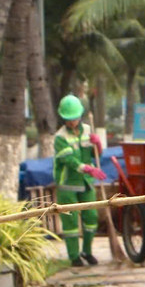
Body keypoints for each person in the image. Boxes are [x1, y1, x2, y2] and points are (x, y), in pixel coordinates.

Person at [53, 94, 108, 267]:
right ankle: (74, 256)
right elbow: (69, 161)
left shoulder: (87, 130)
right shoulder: (60, 137)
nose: (72, 122)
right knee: (70, 223)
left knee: (91, 217)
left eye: (74, 118)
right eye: (68, 119)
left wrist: (98, 145)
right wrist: (88, 168)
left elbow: (96, 155)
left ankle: (87, 251)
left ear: (80, 115)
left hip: (86, 182)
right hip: (68, 183)